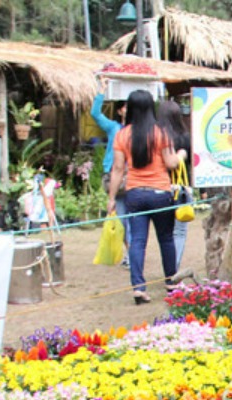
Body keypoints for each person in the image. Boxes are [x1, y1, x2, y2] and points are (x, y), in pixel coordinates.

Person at [107, 89, 181, 305]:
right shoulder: (161, 133)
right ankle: (171, 283)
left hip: (135, 193)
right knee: (166, 239)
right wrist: (181, 155)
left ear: (130, 108)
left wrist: (111, 197)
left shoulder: (122, 135)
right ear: (151, 108)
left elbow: (118, 169)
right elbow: (171, 163)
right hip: (160, 193)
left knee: (137, 241)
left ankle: (138, 288)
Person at [93, 79, 129, 257]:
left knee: (132, 217)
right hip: (114, 172)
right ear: (119, 110)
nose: (128, 110)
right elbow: (95, 113)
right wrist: (101, 91)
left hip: (133, 174)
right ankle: (129, 252)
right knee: (120, 215)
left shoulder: (138, 128)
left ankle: (131, 253)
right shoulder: (113, 127)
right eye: (125, 107)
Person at [157, 99, 192, 273]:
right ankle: (173, 268)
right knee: (179, 232)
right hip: (182, 189)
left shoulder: (156, 137)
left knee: (165, 234)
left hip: (161, 187)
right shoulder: (185, 137)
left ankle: (169, 268)